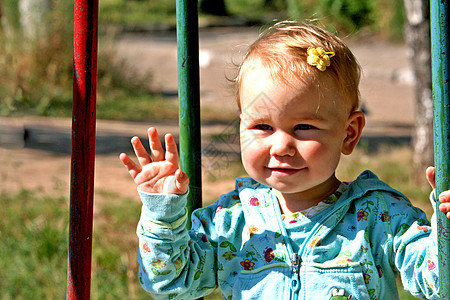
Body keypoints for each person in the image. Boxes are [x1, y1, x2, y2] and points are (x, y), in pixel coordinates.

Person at [119, 21, 450, 299]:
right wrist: (161, 213)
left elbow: (438, 283)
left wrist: (447, 228)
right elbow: (170, 283)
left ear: (349, 134)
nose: (280, 146)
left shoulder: (380, 217)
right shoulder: (231, 222)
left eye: (304, 127)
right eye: (262, 126)